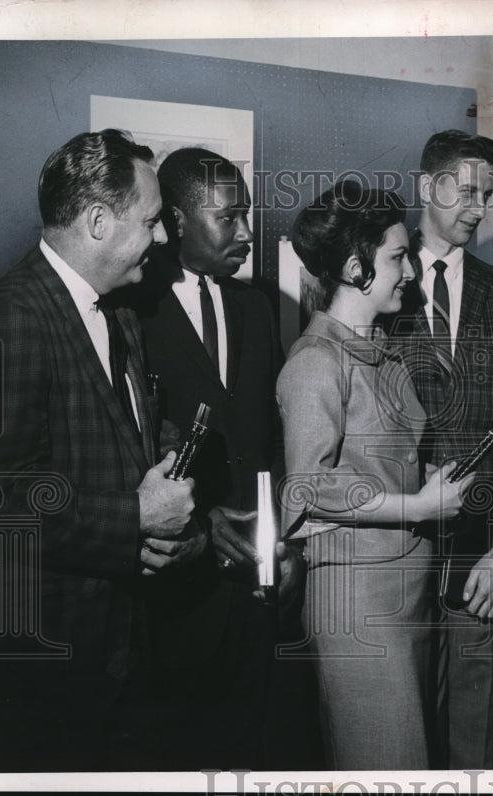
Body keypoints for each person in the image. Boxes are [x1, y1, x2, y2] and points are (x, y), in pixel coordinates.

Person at [0, 129, 198, 771]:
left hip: (127, 653)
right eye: (153, 221)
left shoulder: (120, 312)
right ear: (99, 221)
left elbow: (139, 434)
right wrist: (136, 519)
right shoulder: (11, 318)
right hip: (53, 669)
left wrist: (175, 511)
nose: (162, 240)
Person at [277, 181, 474, 770]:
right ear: (355, 266)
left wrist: (428, 478)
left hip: (409, 588)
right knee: (386, 764)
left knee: (412, 762)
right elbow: (307, 487)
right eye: (396, 257)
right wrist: (418, 507)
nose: (410, 269)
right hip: (357, 603)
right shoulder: (315, 361)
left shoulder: (381, 351)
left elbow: (385, 460)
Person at [131, 148, 305, 769]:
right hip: (173, 599)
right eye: (229, 218)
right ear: (176, 220)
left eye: (247, 216)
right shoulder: (131, 309)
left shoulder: (257, 307)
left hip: (256, 594)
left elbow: (273, 438)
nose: (247, 233)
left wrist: (282, 544)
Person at [386, 129, 493, 768]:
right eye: (468, 191)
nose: (479, 207)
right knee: (396, 739)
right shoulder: (373, 283)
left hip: (485, 559)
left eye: (487, 193)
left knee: (476, 739)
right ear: (429, 186)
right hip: (393, 554)